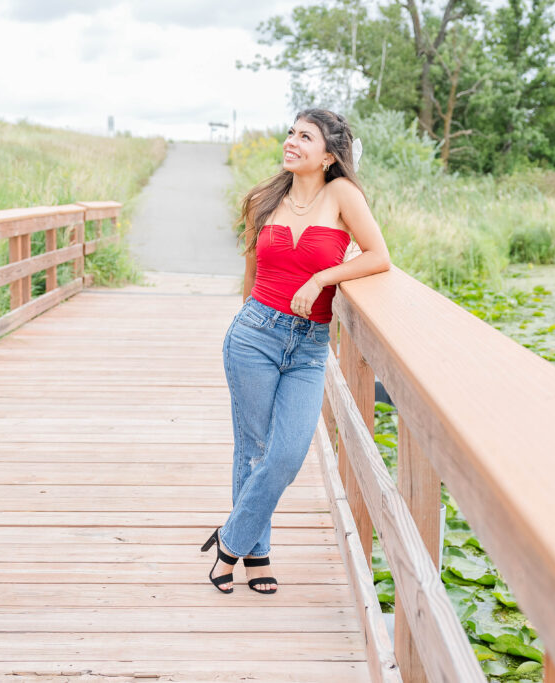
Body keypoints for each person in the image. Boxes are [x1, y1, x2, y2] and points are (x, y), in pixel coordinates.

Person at [201, 108, 391, 594]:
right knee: (253, 449)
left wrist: (322, 277)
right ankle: (257, 552)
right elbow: (250, 274)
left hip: (309, 345)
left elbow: (378, 256)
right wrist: (247, 320)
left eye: (304, 137)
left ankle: (230, 540)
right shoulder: (265, 200)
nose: (291, 141)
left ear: (328, 155)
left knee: (285, 454)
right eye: (290, 133)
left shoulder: (342, 195)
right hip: (254, 335)